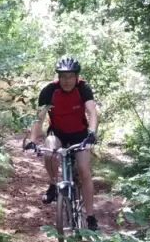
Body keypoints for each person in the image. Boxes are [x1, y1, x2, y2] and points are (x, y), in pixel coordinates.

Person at [27, 57, 99, 230]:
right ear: (58, 77)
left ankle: (90, 216)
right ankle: (52, 184)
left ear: (76, 77)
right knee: (49, 151)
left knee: (83, 170)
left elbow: (92, 112)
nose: (67, 81)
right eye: (63, 76)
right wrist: (32, 141)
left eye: (71, 76)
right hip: (58, 133)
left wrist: (91, 134)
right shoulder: (49, 91)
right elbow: (39, 119)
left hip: (80, 135)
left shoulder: (83, 88)